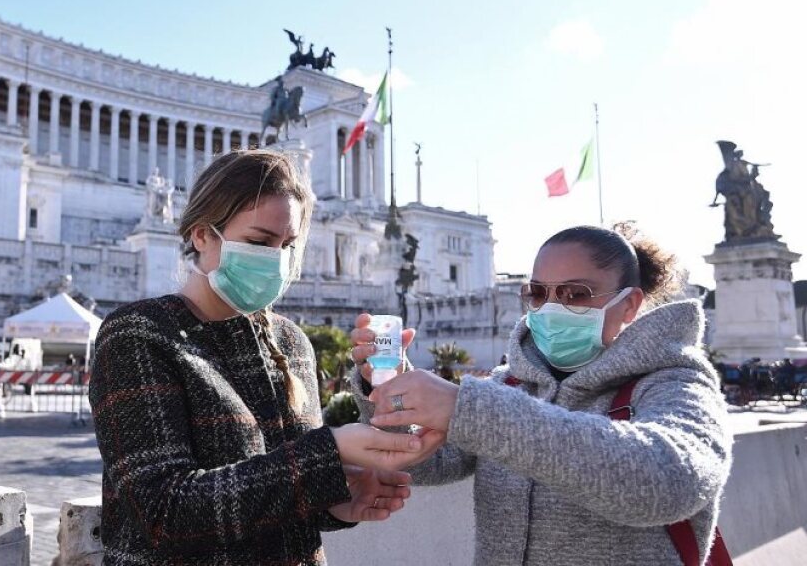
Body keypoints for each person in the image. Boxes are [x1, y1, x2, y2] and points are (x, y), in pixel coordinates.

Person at [90, 149, 435, 565]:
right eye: (259, 242)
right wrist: (329, 453)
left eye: (288, 245)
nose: (276, 259)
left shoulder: (291, 342)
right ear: (202, 235)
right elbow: (164, 512)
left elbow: (280, 489)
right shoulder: (139, 334)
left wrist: (335, 502)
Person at [350, 223, 732, 565]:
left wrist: (467, 408)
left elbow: (668, 481)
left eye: (575, 293)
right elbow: (425, 463)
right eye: (538, 293)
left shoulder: (676, 382)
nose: (552, 308)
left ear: (629, 304)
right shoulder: (509, 384)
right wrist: (385, 390)